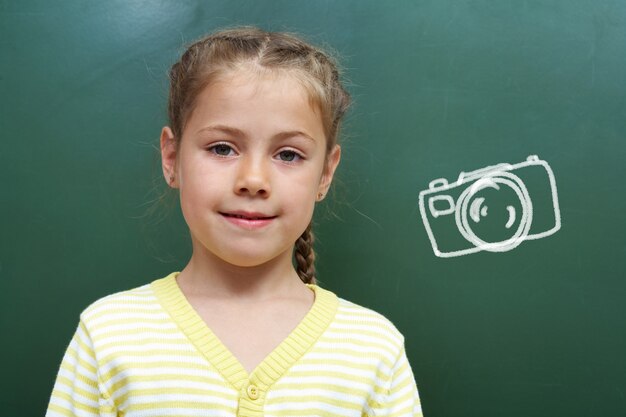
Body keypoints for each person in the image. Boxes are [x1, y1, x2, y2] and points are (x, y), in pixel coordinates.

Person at [46, 26, 423, 417]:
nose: (254, 181)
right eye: (222, 148)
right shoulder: (109, 336)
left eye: (289, 155)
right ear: (172, 159)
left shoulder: (373, 350)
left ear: (325, 173)